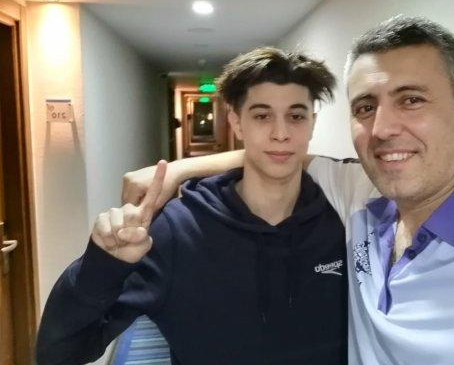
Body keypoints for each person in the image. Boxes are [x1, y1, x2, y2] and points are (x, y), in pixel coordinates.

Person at [124, 16, 454, 365]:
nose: (382, 129)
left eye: (411, 99)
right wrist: (175, 170)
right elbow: (284, 154)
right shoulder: (362, 191)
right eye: (366, 107)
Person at [36, 47, 348, 364]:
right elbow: (60, 353)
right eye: (262, 116)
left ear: (312, 123)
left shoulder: (342, 219)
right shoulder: (178, 231)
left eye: (296, 117)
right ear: (237, 123)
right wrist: (101, 265)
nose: (281, 134)